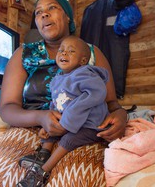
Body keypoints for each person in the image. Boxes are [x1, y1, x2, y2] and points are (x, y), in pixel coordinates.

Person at [0, 0, 127, 187]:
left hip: (83, 127)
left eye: (52, 8)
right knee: (5, 175)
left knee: (78, 177)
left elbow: (111, 103)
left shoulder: (91, 53)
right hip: (32, 128)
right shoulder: (24, 54)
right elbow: (7, 107)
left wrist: (121, 115)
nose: (44, 15)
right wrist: (41, 117)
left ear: (68, 17)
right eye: (38, 12)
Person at [17, 35, 110, 186]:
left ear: (83, 60)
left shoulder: (86, 74)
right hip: (70, 121)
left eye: (71, 51)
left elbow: (96, 94)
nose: (64, 53)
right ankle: (43, 154)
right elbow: (57, 102)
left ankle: (41, 172)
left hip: (90, 125)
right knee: (51, 132)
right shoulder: (58, 78)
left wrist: (66, 124)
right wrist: (49, 125)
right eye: (61, 50)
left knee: (68, 140)